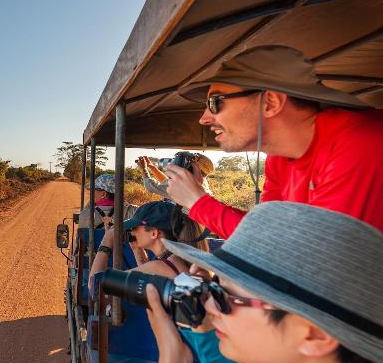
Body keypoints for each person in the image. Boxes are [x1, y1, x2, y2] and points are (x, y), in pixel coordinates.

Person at [138, 202, 383, 363]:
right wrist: (178, 357)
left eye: (225, 296)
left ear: (314, 335)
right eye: (212, 289)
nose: (209, 306)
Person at [164, 45, 383, 237]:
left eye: (215, 103)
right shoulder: (279, 159)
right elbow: (268, 234)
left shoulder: (359, 143)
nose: (204, 118)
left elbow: (312, 262)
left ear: (270, 102)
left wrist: (198, 202)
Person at [88, 201, 199, 296]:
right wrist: (137, 250)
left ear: (154, 233)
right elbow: (149, 278)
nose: (132, 232)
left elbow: (95, 286)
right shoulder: (175, 260)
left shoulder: (160, 266)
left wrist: (106, 241)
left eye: (136, 228)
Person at [137, 154, 213, 209]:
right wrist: (152, 167)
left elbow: (150, 186)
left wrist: (144, 169)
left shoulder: (185, 187)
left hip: (182, 227)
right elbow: (166, 182)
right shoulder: (201, 183)